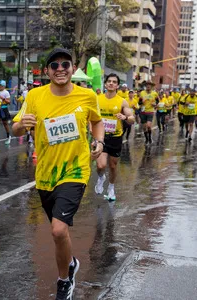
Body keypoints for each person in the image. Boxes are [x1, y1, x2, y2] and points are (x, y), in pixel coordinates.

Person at [12, 48, 104, 300]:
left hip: (75, 170)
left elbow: (96, 121)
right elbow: (17, 128)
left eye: (66, 64)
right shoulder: (34, 95)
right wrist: (22, 124)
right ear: (47, 71)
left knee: (57, 230)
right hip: (45, 175)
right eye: (55, 65)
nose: (60, 69)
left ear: (73, 68)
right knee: (57, 231)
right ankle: (71, 263)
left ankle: (64, 279)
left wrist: (99, 142)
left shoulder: (87, 96)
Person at [95, 73, 134, 201]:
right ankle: (101, 177)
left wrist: (126, 117)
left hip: (116, 137)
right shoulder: (98, 99)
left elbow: (132, 119)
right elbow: (91, 117)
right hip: (101, 137)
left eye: (114, 82)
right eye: (109, 81)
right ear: (105, 84)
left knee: (112, 166)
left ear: (117, 85)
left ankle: (111, 187)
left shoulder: (122, 101)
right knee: (100, 165)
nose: (111, 83)